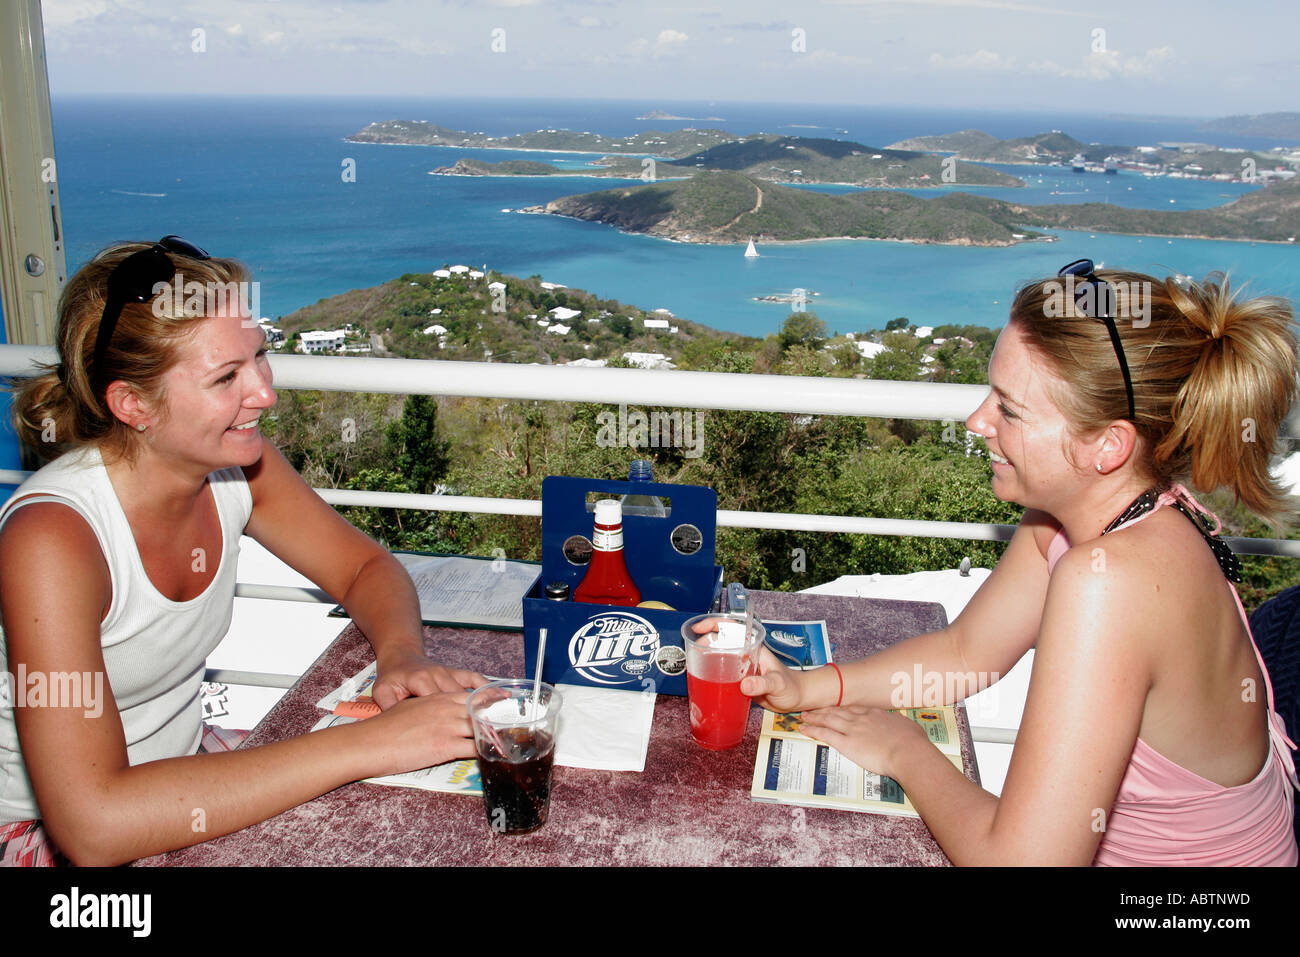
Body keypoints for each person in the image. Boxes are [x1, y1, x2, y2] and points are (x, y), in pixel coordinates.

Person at [743, 261, 1300, 865]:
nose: (976, 421)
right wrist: (807, 686)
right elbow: (966, 654)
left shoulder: (1113, 581)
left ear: (1107, 446)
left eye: (1009, 410)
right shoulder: (1089, 518)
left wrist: (904, 750)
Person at [0, 237, 484, 866]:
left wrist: (401, 657)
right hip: (50, 826)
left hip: (181, 774)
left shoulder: (234, 467)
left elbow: (364, 567)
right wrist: (375, 744)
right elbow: (92, 828)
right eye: (226, 377)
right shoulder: (53, 541)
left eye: (260, 357)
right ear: (133, 404)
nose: (264, 393)